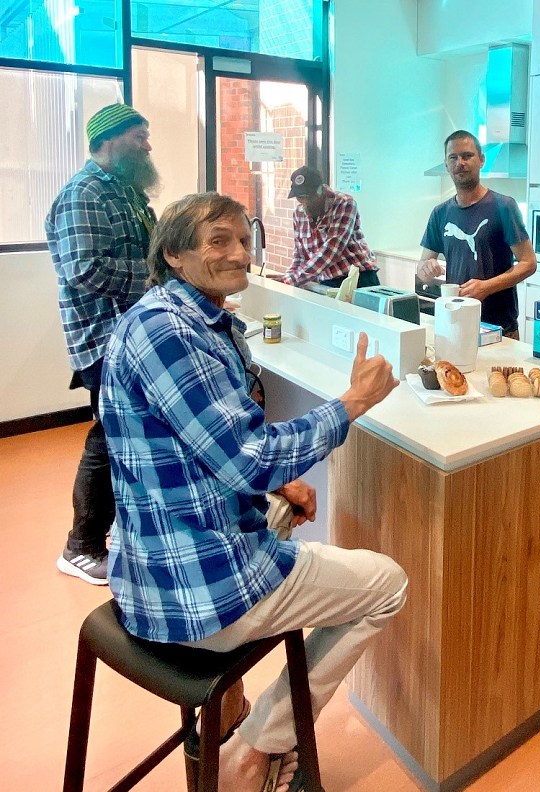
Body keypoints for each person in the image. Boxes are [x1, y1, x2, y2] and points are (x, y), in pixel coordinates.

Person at [99, 192, 407, 792]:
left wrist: (276, 480)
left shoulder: (163, 318)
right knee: (387, 584)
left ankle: (231, 705)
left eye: (244, 238)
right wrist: (353, 404)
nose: (239, 252)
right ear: (174, 254)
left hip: (146, 560)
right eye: (219, 241)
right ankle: (252, 747)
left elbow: (206, 446)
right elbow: (245, 457)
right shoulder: (175, 335)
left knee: (283, 508)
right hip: (196, 589)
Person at [46, 103, 158, 585]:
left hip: (129, 334)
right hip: (103, 338)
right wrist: (157, 282)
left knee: (125, 436)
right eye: (139, 137)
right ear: (108, 141)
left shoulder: (126, 193)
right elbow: (85, 270)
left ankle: (110, 533)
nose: (148, 145)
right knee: (109, 440)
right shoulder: (84, 194)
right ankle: (81, 547)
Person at [416, 130, 537, 339]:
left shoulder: (503, 206)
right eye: (453, 157)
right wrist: (425, 268)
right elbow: (422, 266)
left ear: (481, 160)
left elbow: (529, 263)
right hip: (455, 324)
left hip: (499, 329)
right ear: (446, 164)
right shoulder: (440, 212)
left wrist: (487, 287)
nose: (460, 162)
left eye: (467, 156)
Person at [275, 165, 380, 289]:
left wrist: (293, 279)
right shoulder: (298, 213)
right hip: (326, 281)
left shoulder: (344, 204)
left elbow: (331, 250)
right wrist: (288, 278)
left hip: (359, 279)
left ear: (320, 190)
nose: (303, 202)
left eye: (307, 196)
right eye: (299, 197)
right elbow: (300, 255)